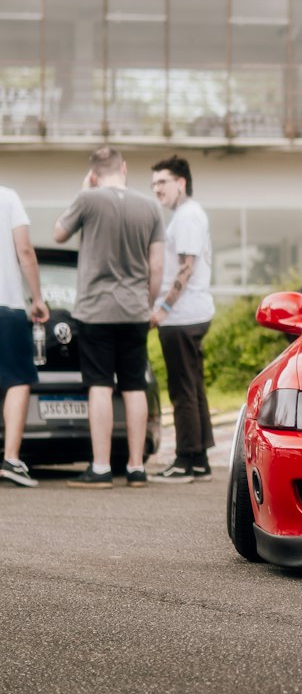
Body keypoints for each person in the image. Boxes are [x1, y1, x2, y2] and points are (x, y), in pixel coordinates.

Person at [53, 148, 164, 487]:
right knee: (133, 387)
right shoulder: (150, 206)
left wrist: (84, 189)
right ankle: (136, 468)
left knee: (100, 386)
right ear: (125, 168)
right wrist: (145, 305)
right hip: (134, 311)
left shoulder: (88, 198)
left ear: (95, 174)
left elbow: (58, 233)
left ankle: (100, 468)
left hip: (95, 311)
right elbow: (156, 266)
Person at [149, 156, 215, 483]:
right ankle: (200, 458)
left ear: (181, 182)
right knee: (194, 387)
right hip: (192, 313)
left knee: (182, 390)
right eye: (154, 184)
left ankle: (184, 460)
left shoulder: (187, 216)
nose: (156, 189)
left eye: (162, 182)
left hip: (182, 316)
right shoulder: (189, 214)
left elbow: (186, 268)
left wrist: (163, 309)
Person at [0, 186, 50, 486]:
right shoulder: (7, 197)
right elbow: (25, 251)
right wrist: (38, 297)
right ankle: (11, 460)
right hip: (6, 307)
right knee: (17, 381)